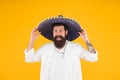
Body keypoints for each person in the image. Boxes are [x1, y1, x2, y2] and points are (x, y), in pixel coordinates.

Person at [24, 15, 98, 80]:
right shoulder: (45, 49)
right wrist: (32, 40)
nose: (58, 33)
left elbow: (93, 57)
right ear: (52, 33)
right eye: (55, 31)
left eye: (60, 31)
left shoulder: (76, 48)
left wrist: (86, 40)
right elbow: (29, 58)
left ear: (66, 32)